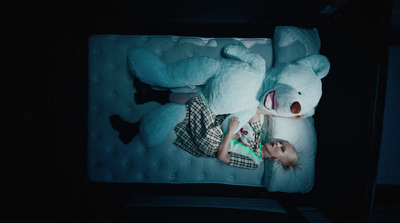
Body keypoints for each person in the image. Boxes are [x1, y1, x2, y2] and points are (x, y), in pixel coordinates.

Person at [110, 78, 300, 170]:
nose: (278, 144)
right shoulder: (260, 137)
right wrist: (286, 116)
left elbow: (222, 156)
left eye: (281, 149)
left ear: (278, 160)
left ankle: (148, 98)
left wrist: (231, 132)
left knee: (197, 100)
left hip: (213, 143)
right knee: (194, 100)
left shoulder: (255, 162)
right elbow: (256, 110)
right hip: (218, 127)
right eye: (282, 142)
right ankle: (137, 118)